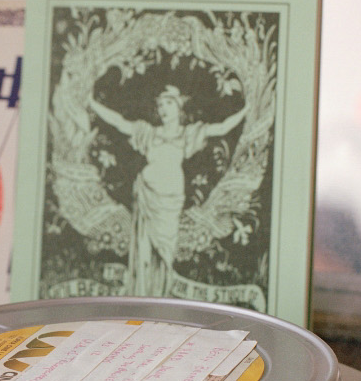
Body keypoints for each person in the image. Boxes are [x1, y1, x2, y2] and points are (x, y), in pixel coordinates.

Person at [89, 84, 245, 298]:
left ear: (179, 107)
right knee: (144, 250)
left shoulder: (188, 134)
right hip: (147, 195)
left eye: (169, 103)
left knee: (166, 251)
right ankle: (142, 295)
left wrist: (247, 111)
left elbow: (222, 127)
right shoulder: (148, 133)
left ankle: (162, 296)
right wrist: (91, 103)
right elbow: (118, 122)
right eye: (160, 104)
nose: (163, 108)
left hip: (170, 200)